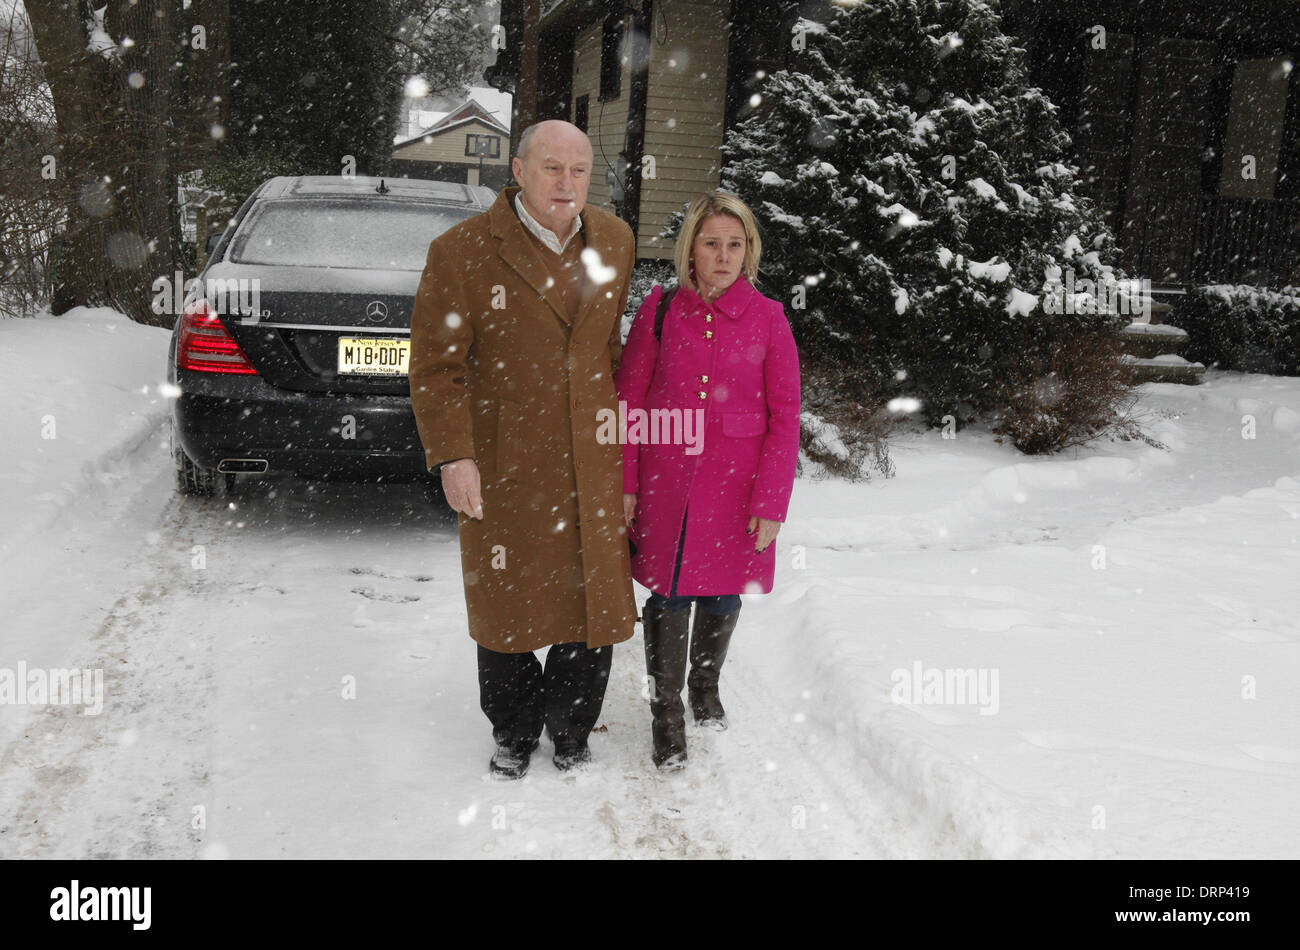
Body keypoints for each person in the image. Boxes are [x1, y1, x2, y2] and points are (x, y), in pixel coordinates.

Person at [408, 120, 638, 779]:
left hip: (593, 454)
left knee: (586, 601)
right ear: (518, 170)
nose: (566, 183)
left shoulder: (614, 240)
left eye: (579, 170)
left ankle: (571, 729)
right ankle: (513, 729)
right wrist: (454, 456)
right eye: (551, 168)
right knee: (505, 603)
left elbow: (611, 351)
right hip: (504, 460)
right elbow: (434, 368)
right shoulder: (463, 251)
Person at [615, 192, 801, 770]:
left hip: (738, 486)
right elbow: (631, 398)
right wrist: (626, 482)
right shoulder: (662, 309)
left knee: (722, 590)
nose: (723, 256)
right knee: (669, 594)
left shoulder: (769, 317)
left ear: (749, 252)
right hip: (668, 482)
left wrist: (771, 501)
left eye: (735, 244)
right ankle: (666, 717)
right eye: (711, 243)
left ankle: (704, 687)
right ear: (690, 250)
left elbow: (784, 414)